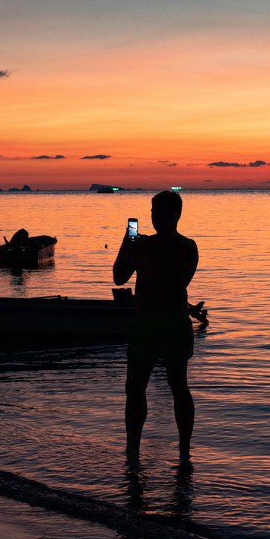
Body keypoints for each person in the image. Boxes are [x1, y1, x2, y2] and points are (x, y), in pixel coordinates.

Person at [113, 191, 199, 459]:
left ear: (171, 214)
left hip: (150, 322)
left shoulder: (142, 246)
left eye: (156, 211)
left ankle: (133, 451)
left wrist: (128, 242)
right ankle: (184, 452)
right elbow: (180, 282)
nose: (153, 216)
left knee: (136, 388)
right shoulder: (188, 246)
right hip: (175, 321)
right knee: (178, 387)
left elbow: (118, 277)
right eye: (152, 211)